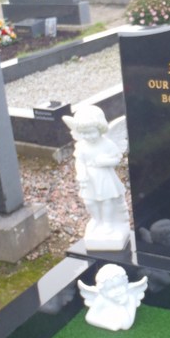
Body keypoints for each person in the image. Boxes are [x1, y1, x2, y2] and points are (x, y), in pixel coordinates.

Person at [64, 106, 129, 250]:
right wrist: (81, 173)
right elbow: (80, 161)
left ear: (100, 129)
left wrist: (104, 162)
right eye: (84, 133)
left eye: (91, 132)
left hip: (104, 178)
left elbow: (116, 159)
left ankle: (107, 223)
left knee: (107, 201)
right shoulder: (81, 146)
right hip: (90, 179)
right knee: (90, 201)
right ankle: (97, 219)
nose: (89, 136)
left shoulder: (107, 144)